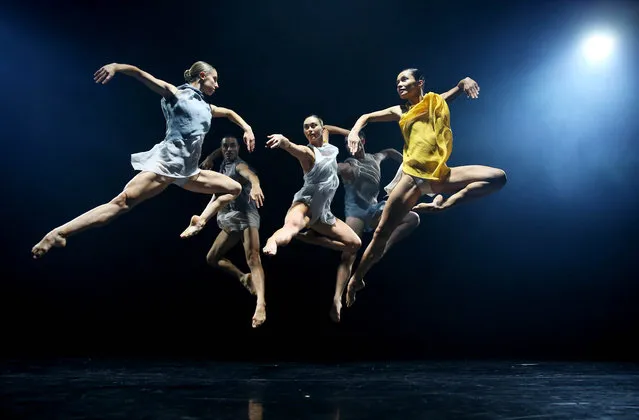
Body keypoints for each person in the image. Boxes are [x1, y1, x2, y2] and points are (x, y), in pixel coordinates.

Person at [31, 61, 255, 259]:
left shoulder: (207, 107)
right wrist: (117, 67)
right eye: (215, 79)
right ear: (203, 76)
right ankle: (58, 233)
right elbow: (140, 73)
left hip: (189, 171)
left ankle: (200, 221)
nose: (217, 85)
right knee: (121, 203)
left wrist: (247, 128)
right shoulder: (175, 94)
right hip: (166, 166)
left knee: (234, 188)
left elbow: (228, 113)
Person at [345, 70, 507, 306]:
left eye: (404, 80)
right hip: (411, 179)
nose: (399, 84)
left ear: (419, 82)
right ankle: (356, 280)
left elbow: (459, 86)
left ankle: (445, 203)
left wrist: (465, 81)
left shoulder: (435, 100)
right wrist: (354, 132)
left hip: (438, 175)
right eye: (397, 82)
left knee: (498, 177)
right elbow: (366, 116)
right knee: (381, 233)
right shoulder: (400, 111)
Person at [296, 125, 420, 322]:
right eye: (347, 144)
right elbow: (327, 143)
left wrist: (407, 160)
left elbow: (389, 152)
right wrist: (316, 155)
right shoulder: (349, 165)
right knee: (349, 254)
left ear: (362, 141)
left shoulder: (375, 157)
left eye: (353, 142)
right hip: (356, 213)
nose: (349, 146)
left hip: (375, 209)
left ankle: (382, 249)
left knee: (412, 218)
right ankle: (337, 298)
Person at [180, 136, 266, 328]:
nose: (228, 150)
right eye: (225, 146)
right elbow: (221, 151)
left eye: (232, 146)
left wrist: (256, 184)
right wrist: (211, 156)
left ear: (239, 148)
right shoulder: (223, 161)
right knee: (212, 258)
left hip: (246, 217)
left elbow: (250, 174)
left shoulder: (239, 166)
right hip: (229, 218)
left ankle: (261, 304)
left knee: (253, 258)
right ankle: (244, 278)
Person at [262, 115, 361, 257]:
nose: (309, 129)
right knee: (290, 229)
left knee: (355, 244)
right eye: (306, 127)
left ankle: (313, 239)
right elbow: (293, 147)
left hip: (323, 212)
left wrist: (351, 133)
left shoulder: (326, 144)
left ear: (321, 127)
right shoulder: (308, 153)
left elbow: (328, 128)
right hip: (306, 204)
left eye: (313, 125)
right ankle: (272, 241)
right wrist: (284, 142)